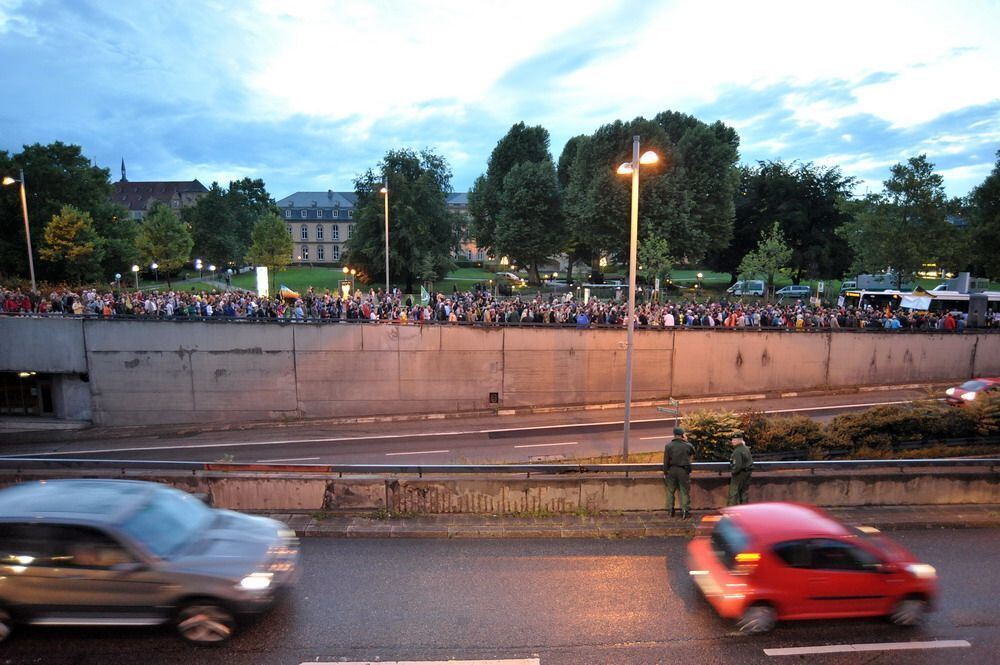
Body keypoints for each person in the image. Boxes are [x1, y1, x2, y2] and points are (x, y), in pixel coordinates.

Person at [663, 426, 694, 518]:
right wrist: (687, 441)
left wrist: (665, 472)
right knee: (684, 491)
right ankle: (685, 511)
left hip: (672, 470)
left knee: (670, 491)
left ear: (674, 435)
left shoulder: (668, 446)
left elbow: (666, 461)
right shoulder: (687, 445)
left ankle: (671, 510)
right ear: (682, 435)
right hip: (683, 471)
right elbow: (693, 451)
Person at [727, 437, 753, 506]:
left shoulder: (737, 451)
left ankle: (731, 510)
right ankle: (745, 510)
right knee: (744, 492)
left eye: (733, 440)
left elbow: (737, 466)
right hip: (747, 472)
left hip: (739, 474)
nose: (732, 441)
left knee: (734, 492)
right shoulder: (746, 449)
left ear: (737, 441)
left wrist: (733, 472)